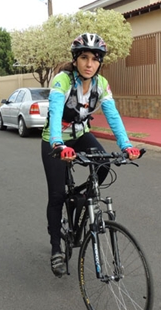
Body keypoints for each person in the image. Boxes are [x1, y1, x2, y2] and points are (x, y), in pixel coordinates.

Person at [41, 32, 141, 277]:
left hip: (81, 134)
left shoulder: (101, 84)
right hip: (55, 140)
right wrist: (57, 144)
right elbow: (55, 113)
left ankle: (79, 197)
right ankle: (56, 248)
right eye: (84, 57)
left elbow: (113, 115)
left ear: (100, 63)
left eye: (95, 59)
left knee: (106, 163)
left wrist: (127, 145)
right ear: (75, 60)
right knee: (56, 196)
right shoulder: (62, 81)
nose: (89, 64)